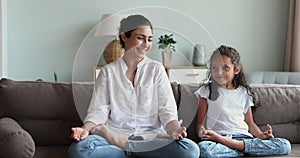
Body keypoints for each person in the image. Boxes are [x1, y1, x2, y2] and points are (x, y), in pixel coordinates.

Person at [68, 14, 200, 158]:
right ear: (124, 36)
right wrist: (84, 129)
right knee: (79, 150)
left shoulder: (156, 69)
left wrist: (175, 131)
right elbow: (98, 110)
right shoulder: (108, 72)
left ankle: (125, 148)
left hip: (149, 139)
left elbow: (167, 111)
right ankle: (129, 149)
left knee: (190, 150)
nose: (146, 44)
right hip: (112, 136)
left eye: (149, 39)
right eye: (140, 38)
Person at [194, 45, 291, 157]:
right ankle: (244, 149)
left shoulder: (244, 92)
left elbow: (250, 123)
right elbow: (199, 124)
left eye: (225, 68)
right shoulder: (206, 91)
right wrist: (203, 133)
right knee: (204, 150)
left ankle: (237, 148)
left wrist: (261, 135)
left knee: (285, 145)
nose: (219, 72)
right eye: (215, 67)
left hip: (243, 138)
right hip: (218, 139)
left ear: (236, 69)